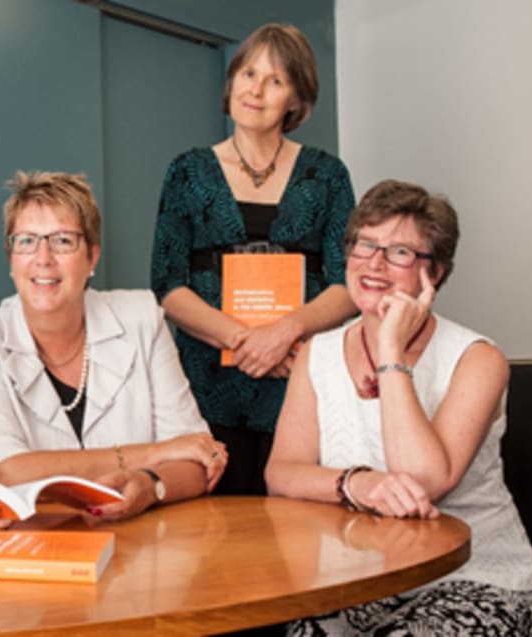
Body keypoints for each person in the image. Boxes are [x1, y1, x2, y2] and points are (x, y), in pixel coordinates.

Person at [266, 179, 532, 633]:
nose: (373, 264)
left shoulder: (478, 360)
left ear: (436, 272)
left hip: (475, 577)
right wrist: (357, 483)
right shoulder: (318, 352)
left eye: (399, 252)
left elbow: (423, 481)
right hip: (362, 578)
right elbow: (282, 472)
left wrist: (391, 351)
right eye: (364, 244)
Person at [150, 23, 358, 496]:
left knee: (300, 531)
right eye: (248, 74)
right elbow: (167, 283)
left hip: (299, 375)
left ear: (296, 100)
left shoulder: (327, 175)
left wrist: (283, 336)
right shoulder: (187, 171)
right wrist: (249, 342)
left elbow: (349, 284)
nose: (256, 90)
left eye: (275, 81)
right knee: (213, 532)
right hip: (205, 379)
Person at [0, 170, 226, 522]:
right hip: (36, 543)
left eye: (63, 241)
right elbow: (6, 472)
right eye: (26, 241)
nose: (43, 258)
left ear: (92, 257)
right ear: (11, 257)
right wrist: (155, 453)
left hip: (143, 544)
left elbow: (198, 458)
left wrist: (151, 484)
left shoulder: (142, 317)